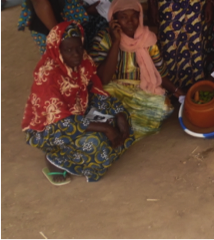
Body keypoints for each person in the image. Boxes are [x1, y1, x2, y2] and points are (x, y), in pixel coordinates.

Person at [21, 22, 134, 184]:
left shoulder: (80, 62)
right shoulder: (47, 76)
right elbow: (62, 122)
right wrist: (105, 127)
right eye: (68, 50)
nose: (76, 54)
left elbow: (97, 86)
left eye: (79, 48)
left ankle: (86, 153)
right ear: (56, 50)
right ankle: (56, 160)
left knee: (123, 118)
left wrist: (119, 113)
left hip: (77, 113)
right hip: (49, 129)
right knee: (97, 143)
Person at [90, 0, 179, 140]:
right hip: (112, 92)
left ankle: (123, 128)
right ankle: (123, 124)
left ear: (140, 17)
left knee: (163, 107)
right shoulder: (103, 39)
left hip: (140, 91)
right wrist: (116, 42)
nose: (130, 22)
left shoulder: (148, 39)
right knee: (100, 105)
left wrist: (178, 92)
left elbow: (159, 73)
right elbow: (103, 79)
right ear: (114, 18)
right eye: (123, 17)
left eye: (134, 16)